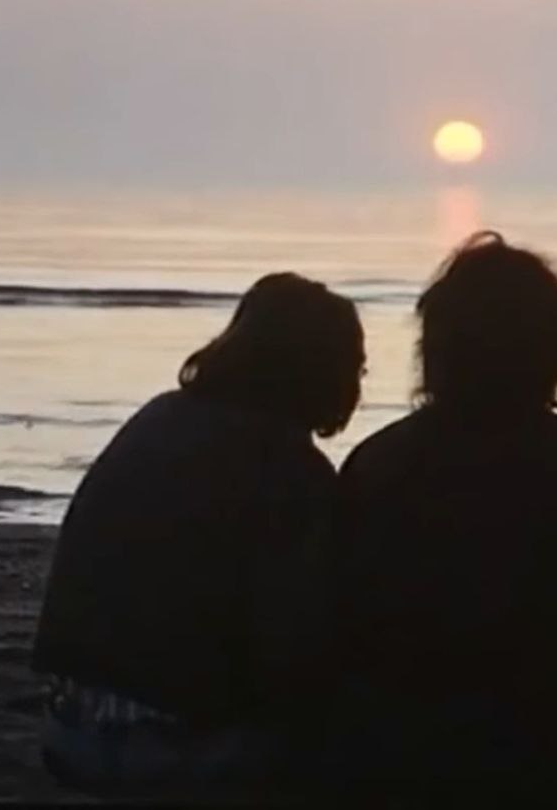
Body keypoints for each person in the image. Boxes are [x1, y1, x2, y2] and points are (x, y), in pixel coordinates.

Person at [32, 273, 364, 800]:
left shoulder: (158, 416)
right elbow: (291, 645)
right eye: (356, 367)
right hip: (173, 745)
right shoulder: (288, 469)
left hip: (70, 721)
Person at [331, 232, 557, 805]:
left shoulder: (381, 461)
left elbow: (354, 620)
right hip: (547, 743)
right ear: (555, 347)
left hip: (400, 744)